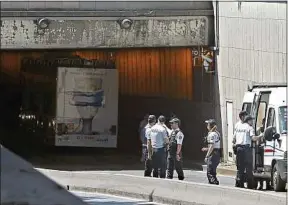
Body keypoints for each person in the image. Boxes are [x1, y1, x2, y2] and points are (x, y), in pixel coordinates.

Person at [233, 115, 263, 189]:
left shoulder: (238, 127)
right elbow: (253, 138)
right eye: (251, 120)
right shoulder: (249, 127)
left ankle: (240, 184)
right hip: (246, 149)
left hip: (239, 148)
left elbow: (233, 139)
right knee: (249, 168)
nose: (252, 122)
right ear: (248, 120)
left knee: (240, 168)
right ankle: (250, 185)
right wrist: (260, 136)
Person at [201, 119, 221, 185]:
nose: (207, 126)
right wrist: (207, 149)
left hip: (213, 154)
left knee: (210, 172)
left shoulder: (212, 134)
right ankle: (214, 182)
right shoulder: (217, 133)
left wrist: (207, 156)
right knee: (213, 171)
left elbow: (212, 146)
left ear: (210, 126)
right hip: (217, 153)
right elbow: (215, 145)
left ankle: (214, 184)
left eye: (208, 124)